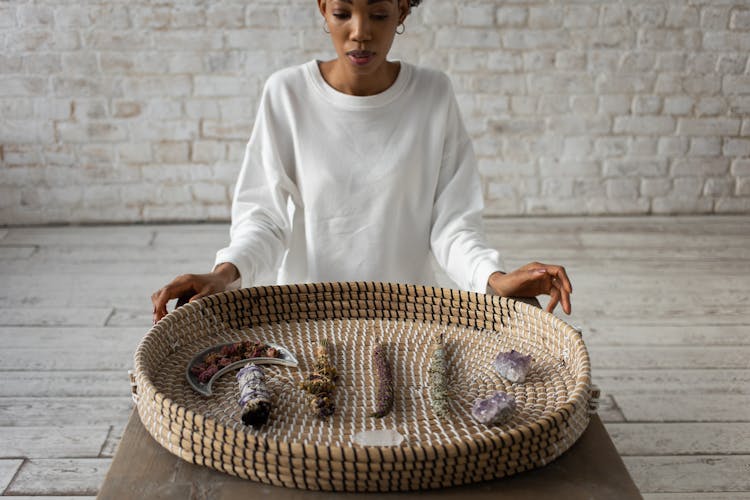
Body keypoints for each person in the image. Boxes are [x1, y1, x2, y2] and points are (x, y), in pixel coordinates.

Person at [151, 0, 572, 324]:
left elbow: (452, 225)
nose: (360, 32)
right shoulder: (287, 95)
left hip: (412, 319)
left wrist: (492, 279)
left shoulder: (432, 95)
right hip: (306, 321)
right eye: (342, 12)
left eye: (378, 14)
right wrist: (223, 274)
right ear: (321, 8)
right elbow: (265, 219)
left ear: (403, 10)